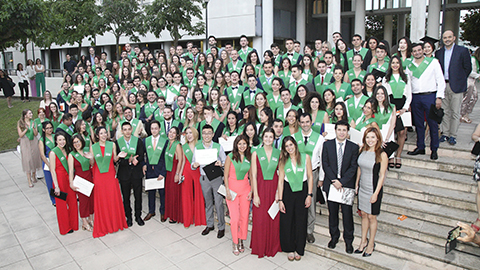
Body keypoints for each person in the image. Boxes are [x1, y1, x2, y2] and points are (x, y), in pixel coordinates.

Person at [322, 120, 359, 254]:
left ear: (348, 132)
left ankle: (348, 241)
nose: (342, 132)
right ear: (335, 130)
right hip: (331, 184)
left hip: (346, 186)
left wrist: (341, 182)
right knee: (333, 214)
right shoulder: (328, 145)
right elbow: (325, 163)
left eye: (344, 130)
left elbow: (353, 167)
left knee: (347, 215)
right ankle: (334, 237)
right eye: (339, 130)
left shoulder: (353, 147)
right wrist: (334, 180)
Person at [406, 43, 445, 160]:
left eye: (419, 50)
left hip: (430, 96)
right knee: (418, 124)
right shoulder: (409, 65)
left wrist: (439, 97)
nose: (417, 52)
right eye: (414, 51)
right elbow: (408, 84)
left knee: (432, 124)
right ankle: (420, 147)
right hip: (416, 97)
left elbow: (440, 80)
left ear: (423, 50)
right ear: (412, 53)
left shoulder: (433, 62)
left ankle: (434, 149)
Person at [277, 136, 313, 261]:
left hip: (302, 191)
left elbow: (310, 176)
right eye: (287, 146)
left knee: (301, 220)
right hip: (288, 191)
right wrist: (280, 199)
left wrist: (309, 195)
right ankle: (289, 247)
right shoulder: (283, 160)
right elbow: (280, 181)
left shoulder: (305, 157)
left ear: (295, 145)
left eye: (291, 145)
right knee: (287, 220)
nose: (289, 148)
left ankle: (299, 247)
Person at [355, 127, 388, 257]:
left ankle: (371, 243)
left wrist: (376, 193)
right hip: (362, 187)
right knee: (363, 214)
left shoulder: (382, 154)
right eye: (368, 137)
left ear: (378, 138)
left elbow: (382, 175)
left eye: (373, 137)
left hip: (374, 188)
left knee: (371, 216)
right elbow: (359, 168)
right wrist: (357, 184)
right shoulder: (362, 150)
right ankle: (363, 241)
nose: (370, 140)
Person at [90, 126, 128, 238]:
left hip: (110, 175)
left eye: (105, 133)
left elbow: (114, 159)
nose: (103, 135)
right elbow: (92, 163)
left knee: (112, 198)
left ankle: (115, 223)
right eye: (101, 133)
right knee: (102, 200)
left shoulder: (112, 145)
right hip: (99, 177)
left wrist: (119, 157)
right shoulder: (93, 147)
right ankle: (104, 225)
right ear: (97, 135)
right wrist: (90, 158)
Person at [436, 30, 472, 145]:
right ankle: (445, 133)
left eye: (449, 37)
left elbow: (468, 68)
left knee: (455, 112)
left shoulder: (462, 51)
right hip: (443, 85)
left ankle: (453, 135)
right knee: (445, 111)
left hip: (456, 85)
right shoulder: (439, 53)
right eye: (445, 37)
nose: (447, 39)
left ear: (454, 38)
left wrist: (459, 79)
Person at [250, 128, 282, 257]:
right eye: (266, 136)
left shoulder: (278, 153)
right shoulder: (256, 153)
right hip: (260, 188)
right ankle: (260, 246)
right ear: (262, 138)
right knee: (260, 219)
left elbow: (280, 174)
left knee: (273, 218)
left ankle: (272, 246)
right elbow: (253, 174)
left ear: (274, 138)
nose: (268, 139)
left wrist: (278, 192)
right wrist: (255, 194)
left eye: (271, 137)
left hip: (273, 188)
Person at [192, 124, 227, 238]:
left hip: (216, 178)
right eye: (204, 133)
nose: (207, 135)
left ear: (213, 134)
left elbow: (225, 161)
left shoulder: (218, 146)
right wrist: (195, 165)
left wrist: (221, 164)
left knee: (218, 203)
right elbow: (193, 165)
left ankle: (221, 227)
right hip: (204, 178)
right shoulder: (197, 147)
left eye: (209, 133)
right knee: (208, 202)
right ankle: (210, 224)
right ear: (202, 135)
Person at [295, 113, 325, 243]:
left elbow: (323, 160)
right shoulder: (293, 138)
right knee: (297, 201)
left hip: (312, 173)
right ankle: (297, 228)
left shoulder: (319, 139)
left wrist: (321, 178)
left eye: (307, 121)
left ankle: (309, 230)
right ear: (299, 123)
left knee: (311, 202)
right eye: (302, 122)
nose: (305, 124)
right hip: (296, 174)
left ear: (311, 121)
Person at [224, 135, 253, 255]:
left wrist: (251, 191)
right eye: (239, 144)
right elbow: (225, 175)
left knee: (244, 217)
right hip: (232, 191)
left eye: (244, 144)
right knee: (235, 218)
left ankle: (241, 239)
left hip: (245, 190)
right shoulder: (230, 157)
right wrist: (227, 191)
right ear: (236, 144)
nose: (242, 146)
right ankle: (235, 242)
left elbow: (251, 175)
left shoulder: (249, 157)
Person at [383, 55, 412, 168]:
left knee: (402, 133)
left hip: (403, 108)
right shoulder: (386, 78)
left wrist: (405, 107)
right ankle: (391, 156)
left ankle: (398, 155)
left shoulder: (406, 77)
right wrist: (391, 109)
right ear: (390, 65)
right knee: (391, 133)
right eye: (393, 63)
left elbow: (409, 94)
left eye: (397, 62)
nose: (395, 65)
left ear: (400, 64)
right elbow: (385, 95)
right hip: (391, 107)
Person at [116, 122, 145, 227]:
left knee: (138, 196)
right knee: (126, 197)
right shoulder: (117, 143)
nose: (127, 131)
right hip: (124, 174)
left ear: (132, 129)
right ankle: (128, 216)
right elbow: (117, 160)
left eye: (129, 129)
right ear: (122, 131)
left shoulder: (138, 141)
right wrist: (129, 161)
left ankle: (138, 216)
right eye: (125, 129)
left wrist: (137, 159)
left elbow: (141, 155)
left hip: (136, 173)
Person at [49, 131, 78, 235]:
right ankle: (65, 228)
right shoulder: (53, 152)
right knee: (61, 206)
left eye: (64, 139)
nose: (62, 142)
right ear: (56, 141)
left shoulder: (67, 151)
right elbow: (52, 170)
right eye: (60, 140)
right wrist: (56, 186)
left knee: (73, 201)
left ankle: (74, 224)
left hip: (68, 179)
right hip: (59, 181)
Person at [68, 134, 94, 232]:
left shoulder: (87, 150)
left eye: (78, 141)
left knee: (91, 199)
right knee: (83, 201)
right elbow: (71, 170)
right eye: (74, 142)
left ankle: (91, 218)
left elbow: (92, 164)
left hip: (89, 177)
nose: (76, 144)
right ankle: (84, 221)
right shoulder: (71, 155)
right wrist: (71, 183)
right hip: (80, 179)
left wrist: (91, 158)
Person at [143, 120, 168, 222]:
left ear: (160, 129)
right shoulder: (145, 140)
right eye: (152, 128)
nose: (154, 130)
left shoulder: (164, 141)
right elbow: (142, 155)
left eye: (156, 128)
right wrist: (144, 165)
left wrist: (163, 172)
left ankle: (163, 212)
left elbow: (166, 159)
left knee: (162, 193)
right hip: (149, 170)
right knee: (151, 192)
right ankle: (151, 211)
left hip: (160, 170)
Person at [181, 127, 206, 227]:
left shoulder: (201, 144)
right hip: (187, 170)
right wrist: (179, 174)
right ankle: (188, 219)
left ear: (195, 133)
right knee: (186, 195)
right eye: (187, 133)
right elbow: (182, 161)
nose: (189, 135)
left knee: (199, 194)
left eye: (190, 133)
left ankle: (200, 219)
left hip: (198, 171)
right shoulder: (184, 146)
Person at [164, 127, 185, 224]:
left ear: (177, 135)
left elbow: (181, 160)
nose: (171, 134)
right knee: (169, 193)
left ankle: (175, 215)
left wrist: (177, 174)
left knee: (174, 194)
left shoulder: (177, 145)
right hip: (168, 171)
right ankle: (170, 213)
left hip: (174, 170)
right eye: (170, 132)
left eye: (174, 133)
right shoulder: (168, 143)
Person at [18, 109, 42, 187]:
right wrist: (26, 129)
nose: (31, 114)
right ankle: (29, 180)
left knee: (34, 157)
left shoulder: (33, 122)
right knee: (27, 159)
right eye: (29, 113)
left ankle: (34, 175)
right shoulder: (20, 123)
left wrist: (33, 128)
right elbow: (20, 135)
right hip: (25, 141)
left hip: (33, 141)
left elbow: (35, 134)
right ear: (25, 115)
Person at [39, 122, 56, 205]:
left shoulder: (55, 136)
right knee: (50, 181)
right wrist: (49, 165)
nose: (50, 130)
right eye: (47, 128)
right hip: (48, 162)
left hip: (57, 161)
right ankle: (53, 200)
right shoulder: (42, 140)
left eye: (51, 127)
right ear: (43, 129)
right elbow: (42, 154)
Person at [461, 48, 480, 124]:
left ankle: (466, 113)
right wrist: (478, 76)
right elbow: (470, 71)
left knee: (474, 97)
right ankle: (463, 114)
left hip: (473, 80)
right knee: (468, 97)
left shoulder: (476, 61)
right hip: (468, 80)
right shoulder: (472, 59)